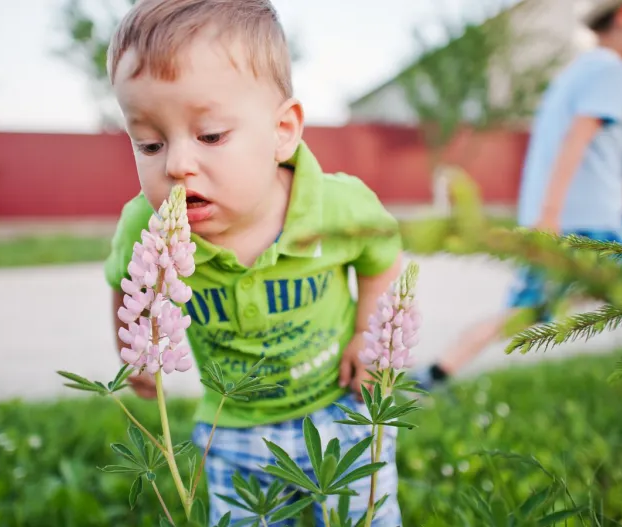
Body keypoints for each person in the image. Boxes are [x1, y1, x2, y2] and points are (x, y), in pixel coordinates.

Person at [102, 1, 404, 524]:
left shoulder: (338, 205)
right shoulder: (143, 226)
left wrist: (367, 334)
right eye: (149, 144)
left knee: (367, 516)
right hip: (233, 424)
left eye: (211, 135)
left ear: (283, 130)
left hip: (342, 408)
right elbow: (127, 287)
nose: (176, 164)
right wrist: (135, 350)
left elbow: (383, 258)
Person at [412, 0, 622, 429]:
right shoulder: (614, 71)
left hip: (557, 221)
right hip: (591, 229)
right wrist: (552, 215)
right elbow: (576, 140)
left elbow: (569, 148)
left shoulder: (576, 73)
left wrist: (605, 188)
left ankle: (434, 374)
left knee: (522, 312)